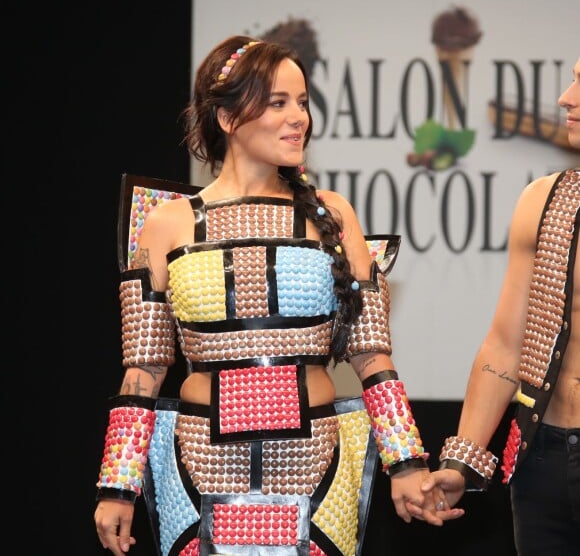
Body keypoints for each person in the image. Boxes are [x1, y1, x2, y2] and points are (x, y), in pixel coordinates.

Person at [93, 35, 461, 556]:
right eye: (278, 103)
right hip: (199, 466)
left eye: (304, 103)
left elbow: (371, 354)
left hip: (316, 466)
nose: (300, 119)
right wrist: (117, 486)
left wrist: (407, 463)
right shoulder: (166, 223)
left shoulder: (333, 215)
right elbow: (143, 370)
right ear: (227, 118)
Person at [419, 57, 580, 554]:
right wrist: (459, 461)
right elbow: (508, 344)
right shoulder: (544, 200)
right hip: (543, 458)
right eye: (573, 79)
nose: (565, 98)